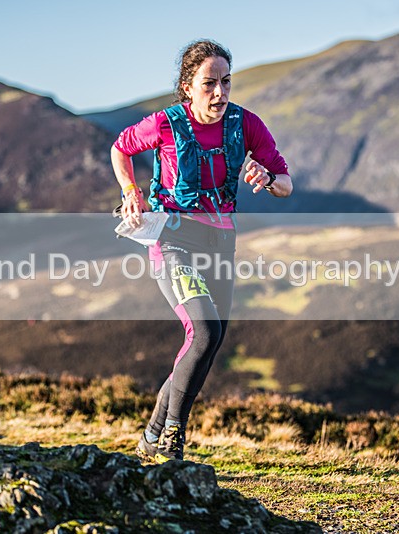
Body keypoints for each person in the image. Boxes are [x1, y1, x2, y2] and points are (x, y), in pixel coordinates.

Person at [111, 40, 292, 462]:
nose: (220, 93)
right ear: (187, 87)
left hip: (220, 245)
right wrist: (131, 191)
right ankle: (173, 436)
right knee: (204, 332)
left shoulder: (247, 125)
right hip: (173, 240)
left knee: (207, 344)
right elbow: (121, 148)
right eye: (209, 83)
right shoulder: (164, 124)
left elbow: (286, 184)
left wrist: (266, 178)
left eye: (226, 82)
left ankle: (150, 437)